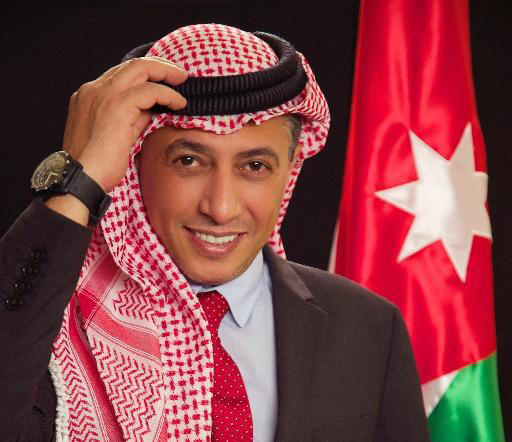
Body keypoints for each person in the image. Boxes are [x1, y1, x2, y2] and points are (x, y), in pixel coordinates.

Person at [0, 24, 430, 441]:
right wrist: (78, 177)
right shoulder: (45, 314)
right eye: (189, 161)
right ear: (134, 162)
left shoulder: (368, 327)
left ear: (290, 170)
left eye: (255, 166)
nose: (220, 208)